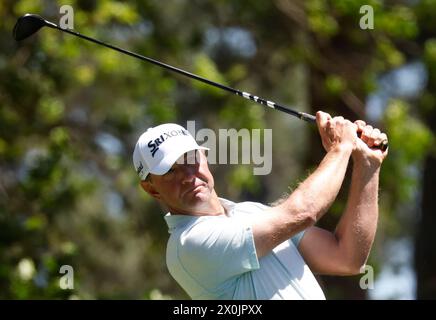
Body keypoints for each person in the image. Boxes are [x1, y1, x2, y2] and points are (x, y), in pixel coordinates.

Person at [132, 111, 388, 300]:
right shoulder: (188, 244)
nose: (188, 175)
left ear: (204, 157)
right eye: (170, 171)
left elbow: (346, 257)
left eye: (190, 158)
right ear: (151, 188)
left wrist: (368, 166)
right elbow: (304, 212)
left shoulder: (251, 213)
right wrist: (341, 147)